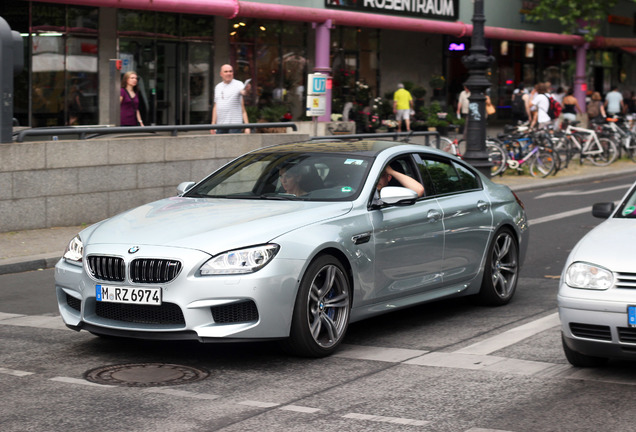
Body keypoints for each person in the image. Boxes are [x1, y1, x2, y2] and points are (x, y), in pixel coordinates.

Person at [210, 64, 250, 134]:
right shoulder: (218, 87)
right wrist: (213, 124)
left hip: (235, 125)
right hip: (220, 125)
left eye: (230, 71)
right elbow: (215, 107)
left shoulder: (238, 84)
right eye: (226, 71)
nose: (229, 73)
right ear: (221, 74)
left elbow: (243, 93)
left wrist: (247, 126)